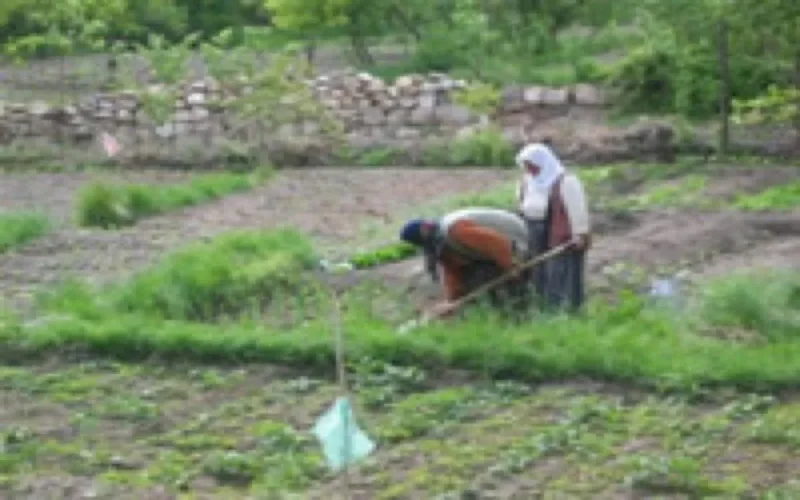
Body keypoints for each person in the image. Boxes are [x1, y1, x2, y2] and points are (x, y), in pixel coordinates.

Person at [399, 207, 533, 319]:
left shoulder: (457, 231)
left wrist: (511, 267)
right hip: (493, 246)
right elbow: (451, 269)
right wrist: (452, 301)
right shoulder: (443, 242)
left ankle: (516, 309)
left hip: (515, 236)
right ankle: (493, 310)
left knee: (484, 275)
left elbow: (497, 244)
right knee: (470, 277)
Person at [515, 142, 591, 312]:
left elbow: (577, 209)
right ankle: (542, 304)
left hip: (558, 232)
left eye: (532, 166)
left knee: (561, 270)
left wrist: (580, 233)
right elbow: (521, 205)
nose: (529, 170)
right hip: (533, 232)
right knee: (538, 271)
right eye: (526, 166)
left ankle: (567, 307)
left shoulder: (566, 181)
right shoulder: (526, 183)